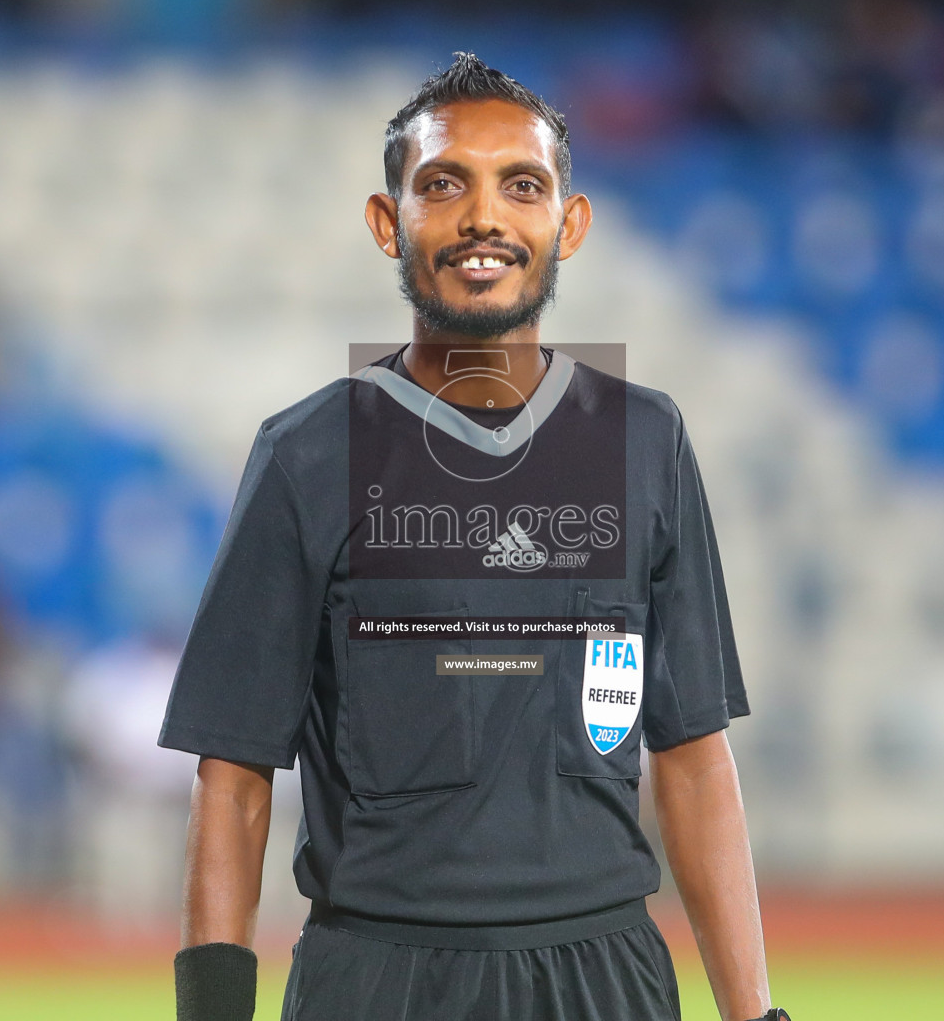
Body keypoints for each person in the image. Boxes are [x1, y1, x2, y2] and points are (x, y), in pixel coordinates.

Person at [159, 53, 787, 1021]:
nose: (483, 217)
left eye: (521, 186)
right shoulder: (308, 452)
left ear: (567, 225)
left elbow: (694, 753)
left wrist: (756, 1015)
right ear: (388, 221)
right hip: (375, 974)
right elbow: (233, 773)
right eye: (443, 185)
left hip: (606, 974)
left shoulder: (645, 439)